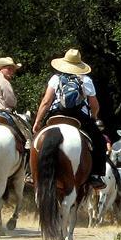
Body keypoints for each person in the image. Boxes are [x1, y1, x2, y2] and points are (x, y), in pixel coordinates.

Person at [32, 49, 108, 189]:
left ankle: (31, 172)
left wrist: (37, 122)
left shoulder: (56, 78)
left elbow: (46, 101)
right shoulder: (86, 80)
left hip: (56, 113)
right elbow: (94, 104)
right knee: (100, 141)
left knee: (35, 140)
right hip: (79, 116)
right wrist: (94, 116)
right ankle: (96, 175)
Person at [0, 57, 33, 181]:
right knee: (26, 134)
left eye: (13, 69)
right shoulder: (4, 82)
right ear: (1, 69)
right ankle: (28, 169)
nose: (11, 71)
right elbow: (11, 101)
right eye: (9, 69)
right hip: (3, 115)